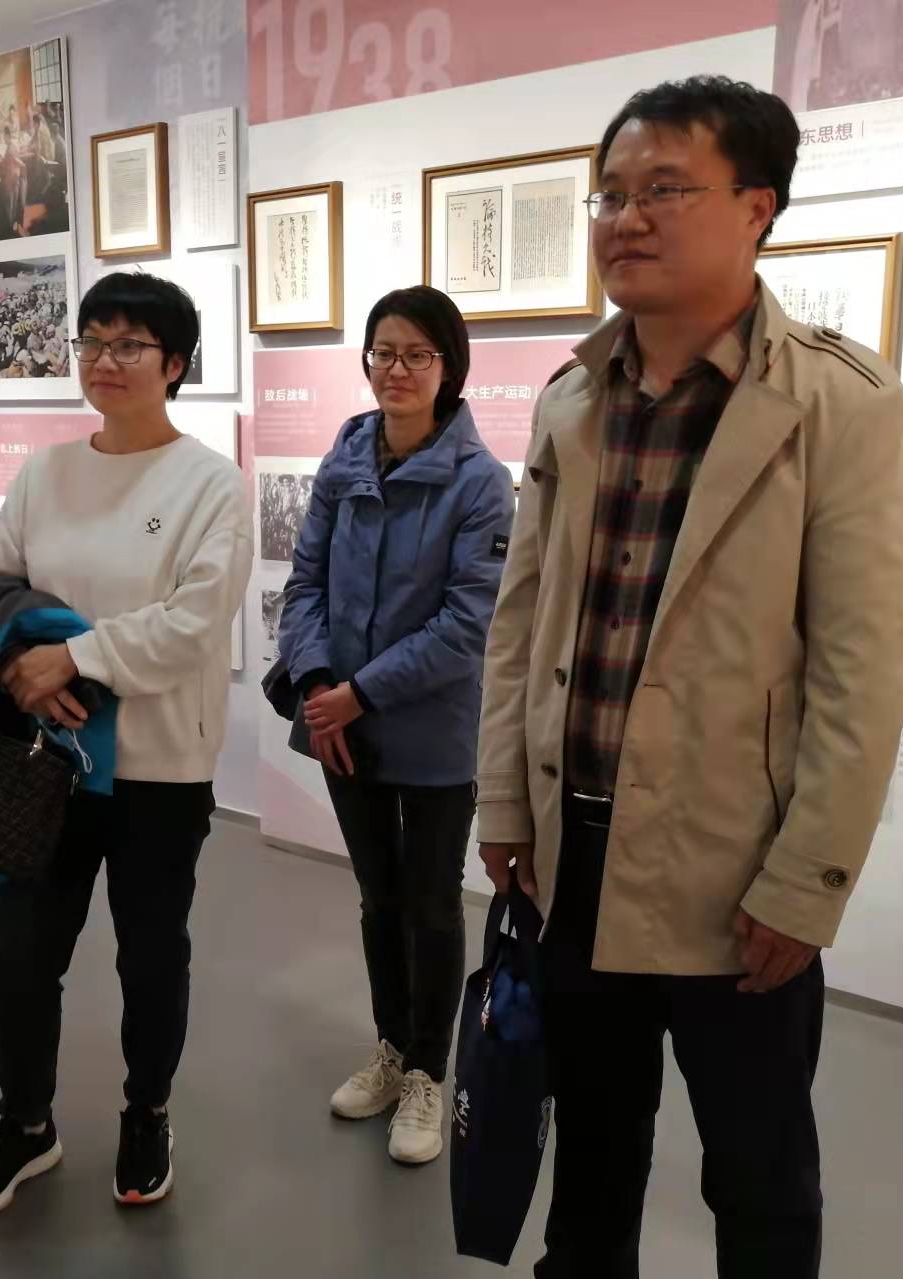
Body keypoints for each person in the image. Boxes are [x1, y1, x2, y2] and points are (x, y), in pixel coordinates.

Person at [475, 77, 903, 1277]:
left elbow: (865, 664)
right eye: (609, 194)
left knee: (757, 1170)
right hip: (573, 853)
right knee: (589, 1152)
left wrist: (807, 881)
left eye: (665, 189)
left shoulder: (839, 404)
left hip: (737, 874)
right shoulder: (572, 397)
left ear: (755, 208)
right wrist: (502, 801)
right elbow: (519, 622)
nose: (625, 218)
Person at [0, 272, 252, 1217]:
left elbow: (194, 623)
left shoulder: (211, 482)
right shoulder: (44, 473)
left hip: (159, 768)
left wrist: (74, 657)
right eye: (92, 340)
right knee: (20, 955)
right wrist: (17, 665)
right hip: (41, 759)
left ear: (176, 363)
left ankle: (147, 1111)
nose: (106, 360)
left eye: (130, 344)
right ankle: (24, 1124)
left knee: (150, 954)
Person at [278, 285, 514, 1166]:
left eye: (418, 354)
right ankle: (390, 1044)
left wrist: (359, 693)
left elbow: (466, 623)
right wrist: (316, 682)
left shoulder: (480, 482)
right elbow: (304, 583)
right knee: (378, 897)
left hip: (433, 731)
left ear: (450, 367)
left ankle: (427, 1070)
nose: (397, 369)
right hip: (341, 723)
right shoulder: (345, 460)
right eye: (384, 351)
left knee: (430, 901)